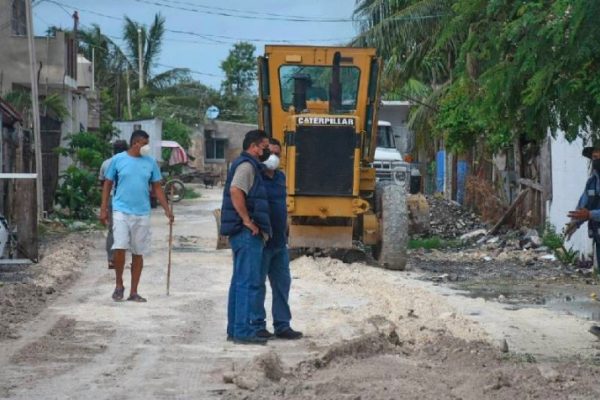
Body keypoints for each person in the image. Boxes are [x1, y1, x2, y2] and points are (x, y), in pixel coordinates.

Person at [99, 130, 174, 302]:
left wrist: (166, 209)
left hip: (142, 212)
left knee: (138, 252)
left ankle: (134, 291)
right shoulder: (118, 160)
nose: (147, 147)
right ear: (136, 143)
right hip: (121, 210)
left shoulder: (151, 163)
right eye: (145, 143)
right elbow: (107, 184)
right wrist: (103, 208)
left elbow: (157, 188)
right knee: (119, 247)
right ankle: (119, 285)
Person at [220, 129, 272, 345]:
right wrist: (247, 221)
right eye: (264, 147)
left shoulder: (247, 165)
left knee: (240, 281)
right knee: (246, 282)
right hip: (245, 233)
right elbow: (235, 191)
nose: (266, 151)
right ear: (254, 146)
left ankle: (235, 328)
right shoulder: (246, 166)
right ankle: (242, 330)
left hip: (242, 232)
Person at [256, 138, 303, 340]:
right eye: (270, 153)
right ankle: (258, 324)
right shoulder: (256, 176)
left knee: (282, 284)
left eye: (278, 154)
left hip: (279, 242)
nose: (274, 157)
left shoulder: (280, 177)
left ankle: (282, 325)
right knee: (257, 285)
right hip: (262, 241)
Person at [566, 142, 600, 339]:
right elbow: (582, 207)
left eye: (599, 157)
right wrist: (574, 224)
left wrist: (591, 215)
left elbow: (588, 212)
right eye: (594, 158)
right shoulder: (592, 182)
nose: (596, 161)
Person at [98, 140, 129, 270]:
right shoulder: (129, 163)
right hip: (126, 199)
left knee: (112, 229)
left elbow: (102, 184)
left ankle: (111, 259)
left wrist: (103, 206)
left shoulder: (106, 163)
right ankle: (121, 258)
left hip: (111, 198)